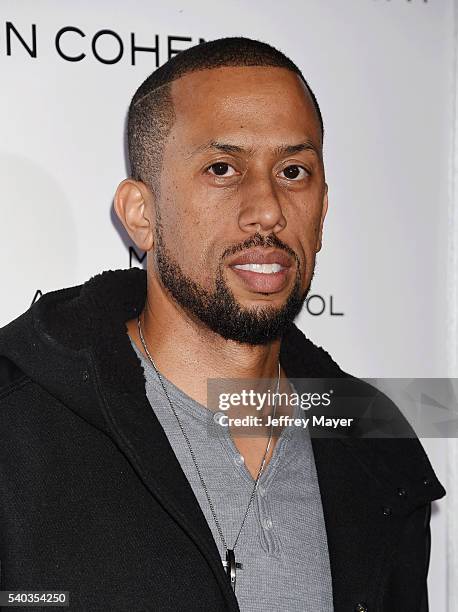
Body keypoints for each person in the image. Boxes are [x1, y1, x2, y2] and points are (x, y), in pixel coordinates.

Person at [0, 37, 446, 612]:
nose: (268, 208)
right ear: (142, 215)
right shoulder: (18, 433)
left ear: (323, 210)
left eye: (292, 170)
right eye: (222, 168)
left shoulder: (376, 444)